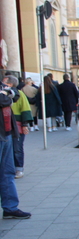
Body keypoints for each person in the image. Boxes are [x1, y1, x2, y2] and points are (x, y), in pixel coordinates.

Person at [0, 78, 31, 219]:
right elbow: (4, 100)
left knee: (8, 172)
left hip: (6, 133)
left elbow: (16, 95)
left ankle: (10, 207)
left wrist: (7, 94)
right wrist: (7, 95)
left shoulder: (3, 87)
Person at [3, 76, 32, 179]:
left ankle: (19, 169)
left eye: (4, 82)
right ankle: (10, 168)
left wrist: (25, 125)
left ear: (10, 84)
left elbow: (25, 109)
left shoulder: (19, 94)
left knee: (17, 148)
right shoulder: (3, 95)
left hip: (17, 124)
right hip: (6, 125)